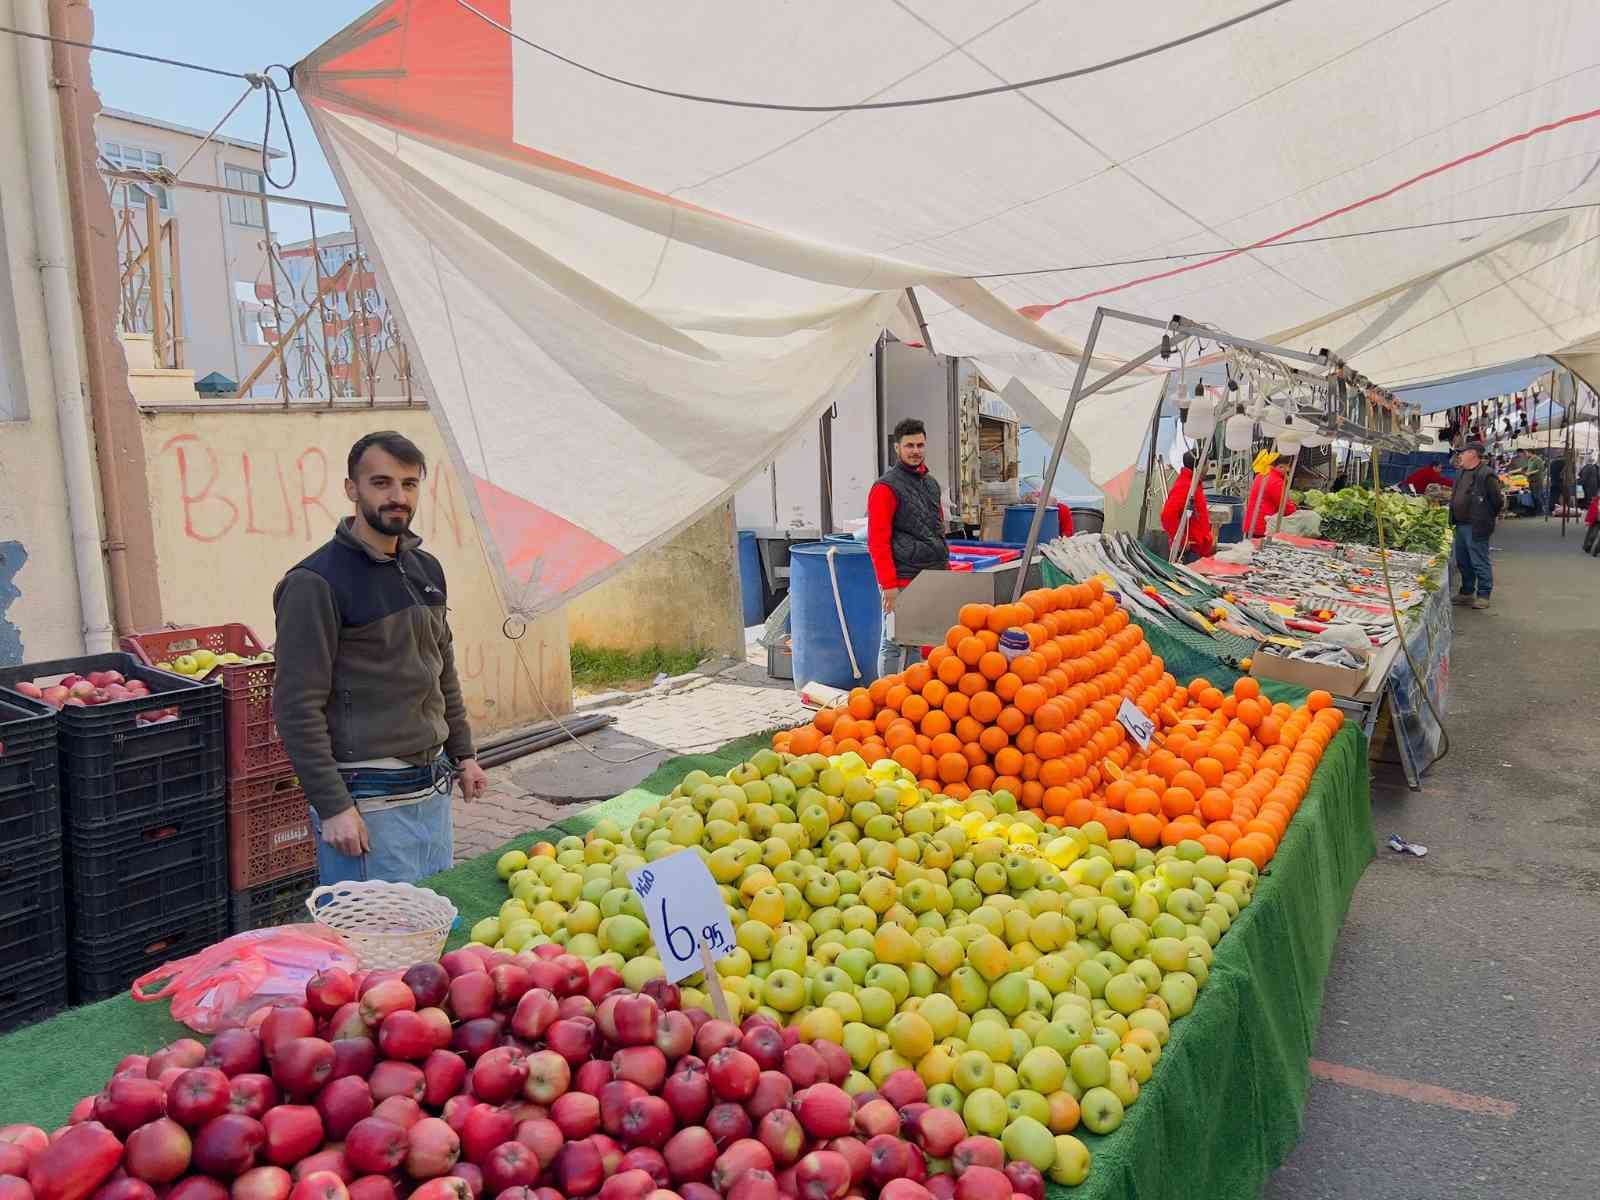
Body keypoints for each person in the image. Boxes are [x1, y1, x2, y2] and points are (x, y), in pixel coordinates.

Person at [273, 431, 488, 884]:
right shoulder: (315, 583)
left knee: (427, 925)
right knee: (373, 940)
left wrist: (463, 754)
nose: (397, 497)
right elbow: (296, 706)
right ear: (352, 489)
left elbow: (441, 668)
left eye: (409, 484)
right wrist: (334, 807)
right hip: (368, 799)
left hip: (430, 788)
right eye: (381, 483)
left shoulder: (425, 568)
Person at [867, 418, 950, 678]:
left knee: (917, 639)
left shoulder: (931, 484)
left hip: (931, 575)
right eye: (909, 445)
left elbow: (936, 528)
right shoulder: (885, 488)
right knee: (892, 642)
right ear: (897, 448)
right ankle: (885, 700)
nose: (916, 451)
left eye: (920, 445)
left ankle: (911, 697)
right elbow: (877, 540)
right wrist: (888, 585)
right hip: (902, 578)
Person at [1449, 440, 1504, 610]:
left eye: (1463, 452)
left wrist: (1484, 516)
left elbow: (1497, 501)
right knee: (1463, 561)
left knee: (1479, 561)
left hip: (1476, 525)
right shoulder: (1461, 473)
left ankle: (1483, 595)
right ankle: (1466, 593)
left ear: (1472, 453)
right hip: (1460, 523)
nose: (1460, 456)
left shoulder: (1486, 475)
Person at [1160, 451, 1216, 559]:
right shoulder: (1185, 486)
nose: (1208, 468)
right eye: (1207, 465)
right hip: (1190, 553)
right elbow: (1167, 516)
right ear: (1200, 466)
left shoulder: (1193, 484)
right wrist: (1182, 541)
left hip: (1199, 550)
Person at [1243, 451, 1297, 538]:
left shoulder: (1262, 475)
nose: (1289, 470)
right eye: (1287, 467)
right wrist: (1296, 510)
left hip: (1252, 524)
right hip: (1263, 527)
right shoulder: (1276, 481)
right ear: (1281, 466)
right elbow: (1285, 507)